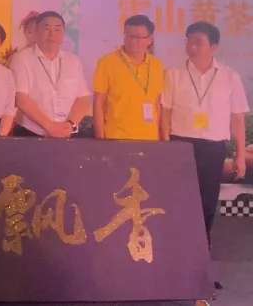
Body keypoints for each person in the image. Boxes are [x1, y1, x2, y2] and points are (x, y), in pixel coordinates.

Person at [161, 22, 248, 251]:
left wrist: (239, 155)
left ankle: (201, 247)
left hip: (213, 147)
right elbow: (165, 114)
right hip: (180, 145)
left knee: (208, 200)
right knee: (179, 198)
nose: (192, 47)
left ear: (213, 47)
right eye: (189, 41)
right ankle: (176, 248)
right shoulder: (173, 74)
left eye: (198, 42)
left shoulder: (229, 76)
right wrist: (165, 147)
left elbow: (237, 119)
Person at [10, 11, 91, 137]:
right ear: (36, 32)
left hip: (67, 132)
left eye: (57, 29)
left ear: (63, 33)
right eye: (47, 29)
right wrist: (49, 126)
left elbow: (83, 98)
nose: (52, 34)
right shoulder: (22, 59)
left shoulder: (73, 61)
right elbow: (21, 97)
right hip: (31, 132)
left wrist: (70, 124)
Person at [92, 15, 164, 140]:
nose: (133, 41)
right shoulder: (107, 62)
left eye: (138, 37)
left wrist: (158, 137)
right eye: (129, 36)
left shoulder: (156, 65)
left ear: (150, 39)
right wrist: (100, 138)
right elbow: (98, 102)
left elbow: (157, 103)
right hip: (116, 137)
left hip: (149, 138)